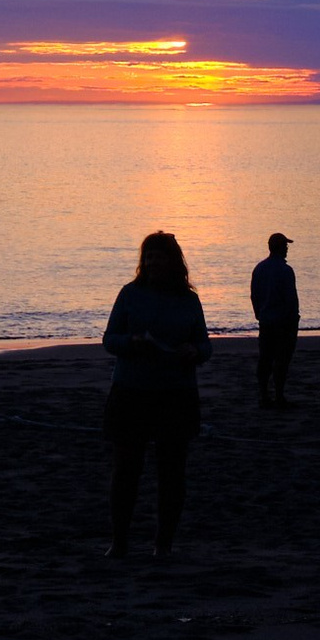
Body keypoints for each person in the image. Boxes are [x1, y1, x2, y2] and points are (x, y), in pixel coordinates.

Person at [102, 231, 212, 558]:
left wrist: (194, 350)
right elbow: (109, 339)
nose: (152, 262)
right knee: (126, 470)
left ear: (172, 261)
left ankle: (163, 545)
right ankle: (119, 542)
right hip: (131, 390)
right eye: (148, 256)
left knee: (172, 473)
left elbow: (205, 345)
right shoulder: (129, 294)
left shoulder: (189, 300)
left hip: (175, 394)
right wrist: (131, 343)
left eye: (158, 256)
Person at [249, 232, 299, 408]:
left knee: (266, 359)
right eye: (285, 246)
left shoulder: (259, 269)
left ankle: (264, 395)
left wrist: (259, 314)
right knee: (281, 360)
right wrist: (294, 318)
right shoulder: (285, 271)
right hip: (283, 322)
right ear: (279, 248)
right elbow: (291, 299)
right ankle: (278, 395)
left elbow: (254, 295)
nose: (287, 249)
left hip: (266, 321)